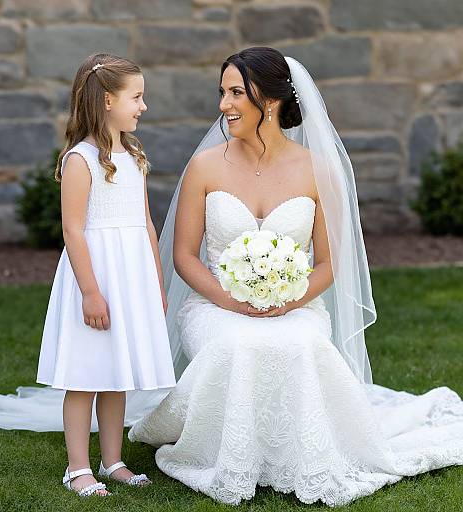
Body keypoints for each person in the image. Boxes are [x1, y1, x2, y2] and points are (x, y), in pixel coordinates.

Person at [127, 47, 463, 507]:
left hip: (296, 303)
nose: (223, 105)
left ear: (269, 101)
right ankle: (228, 455)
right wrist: (230, 301)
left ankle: (293, 454)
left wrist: (289, 299)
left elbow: (328, 263)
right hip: (213, 305)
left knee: (301, 344)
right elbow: (186, 258)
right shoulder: (205, 167)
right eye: (222, 92)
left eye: (235, 93)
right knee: (236, 345)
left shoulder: (317, 169)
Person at [37, 53, 176, 496]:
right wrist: (91, 292)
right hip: (95, 275)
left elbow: (146, 224)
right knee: (86, 374)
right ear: (107, 100)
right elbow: (73, 230)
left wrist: (155, 281)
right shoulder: (81, 160)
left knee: (117, 374)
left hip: (130, 274)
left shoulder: (132, 154)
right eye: (136, 97)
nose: (143, 106)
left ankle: (112, 460)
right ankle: (78, 468)